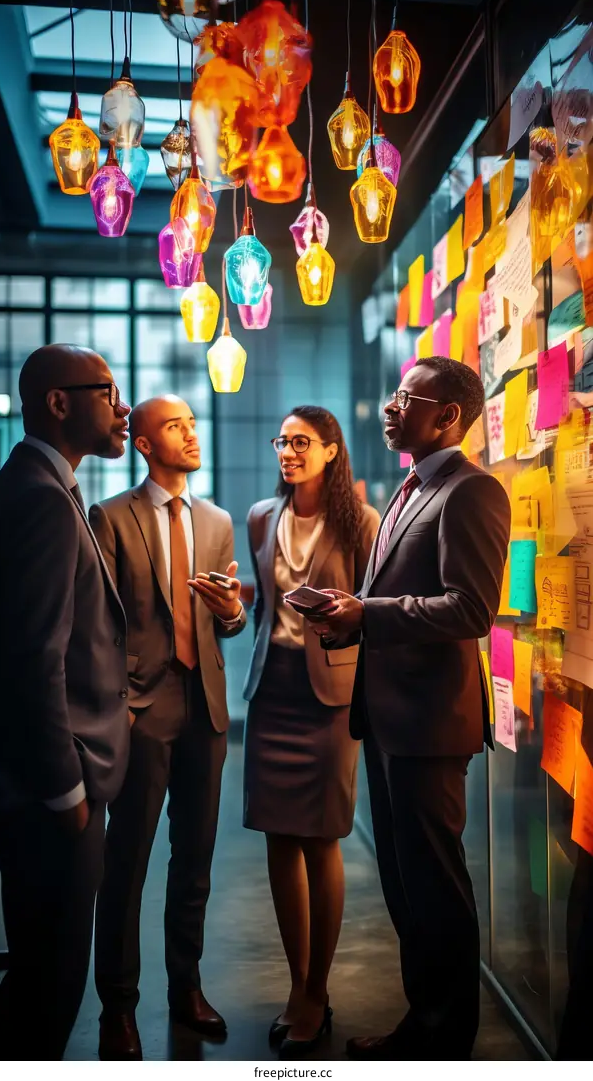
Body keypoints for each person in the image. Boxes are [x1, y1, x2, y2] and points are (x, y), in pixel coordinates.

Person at [312, 357, 511, 1061]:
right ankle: (422, 1024)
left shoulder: (471, 490)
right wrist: (352, 619)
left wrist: (368, 612)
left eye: (406, 397)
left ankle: (446, 1040)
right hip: (391, 717)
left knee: (435, 888)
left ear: (448, 415)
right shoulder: (412, 486)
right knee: (405, 887)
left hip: (429, 724)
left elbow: (471, 609)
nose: (391, 408)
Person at [90, 394, 246, 1060]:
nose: (190, 432)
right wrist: (119, 703)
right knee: (125, 864)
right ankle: (118, 1008)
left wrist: (232, 610)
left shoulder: (216, 520)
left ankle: (187, 987)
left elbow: (228, 621)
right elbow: (97, 621)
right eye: (174, 425)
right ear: (146, 444)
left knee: (195, 860)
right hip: (141, 710)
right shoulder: (111, 516)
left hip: (205, 708)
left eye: (192, 422)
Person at [0, 344, 132, 1060]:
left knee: (41, 975)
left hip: (43, 786)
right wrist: (68, 793)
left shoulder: (42, 484)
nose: (122, 408)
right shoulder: (43, 499)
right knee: (47, 989)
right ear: (58, 402)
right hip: (48, 793)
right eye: (108, 392)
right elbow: (32, 661)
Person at [243, 405, 380, 1057]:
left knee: (322, 839)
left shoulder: (362, 522)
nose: (289, 451)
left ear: (331, 450)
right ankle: (297, 984)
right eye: (282, 441)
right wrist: (233, 604)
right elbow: (264, 606)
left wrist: (345, 618)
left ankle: (317, 990)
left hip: (330, 696)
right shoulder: (260, 517)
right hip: (273, 689)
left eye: (302, 442)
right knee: (278, 837)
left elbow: (374, 611)